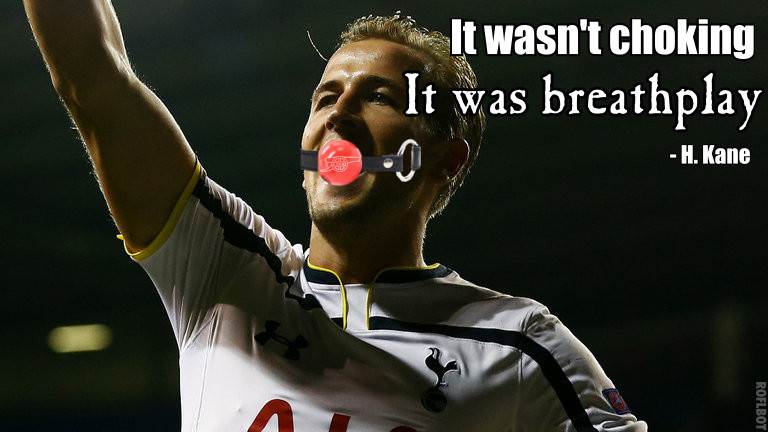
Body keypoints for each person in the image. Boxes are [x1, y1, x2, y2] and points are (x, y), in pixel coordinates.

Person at [24, 1, 648, 430]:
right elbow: (94, 78)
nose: (339, 113)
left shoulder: (519, 342)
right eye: (326, 96)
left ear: (445, 158)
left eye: (379, 96)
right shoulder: (224, 272)